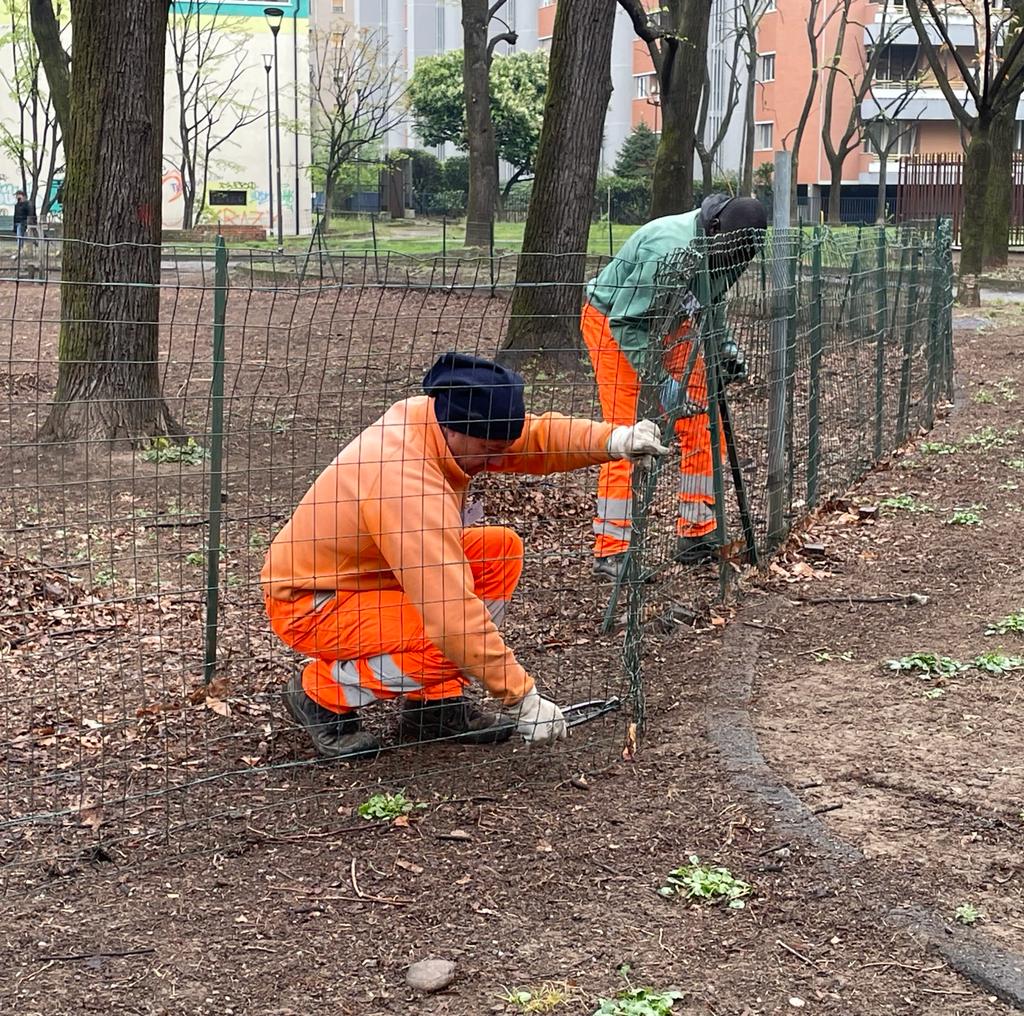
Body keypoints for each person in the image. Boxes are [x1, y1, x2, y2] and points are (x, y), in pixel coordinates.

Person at [261, 351, 668, 760]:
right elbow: (451, 617)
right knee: (448, 644)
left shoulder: (440, 419)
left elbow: (533, 438)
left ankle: (435, 705)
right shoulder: (408, 484)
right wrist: (521, 697)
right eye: (489, 451)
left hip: (372, 575)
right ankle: (320, 694)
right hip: (312, 602)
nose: (496, 462)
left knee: (498, 552)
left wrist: (613, 441)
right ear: (457, 432)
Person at [582, 194, 768, 580]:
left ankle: (696, 532)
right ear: (714, 230)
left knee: (703, 416)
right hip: (615, 321)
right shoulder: (668, 247)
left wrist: (725, 348)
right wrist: (663, 382)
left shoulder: (734, 248)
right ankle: (611, 551)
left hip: (673, 318)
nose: (733, 264)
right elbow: (627, 322)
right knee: (626, 431)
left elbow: (710, 301)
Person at [12, 190, 36, 260]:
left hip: (23, 223)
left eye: (18, 195)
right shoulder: (17, 205)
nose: (16, 197)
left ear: (22, 196)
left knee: (21, 237)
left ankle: (21, 251)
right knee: (19, 237)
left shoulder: (27, 204)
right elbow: (15, 215)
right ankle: (21, 251)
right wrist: (14, 226)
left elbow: (30, 213)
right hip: (18, 222)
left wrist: (29, 223)